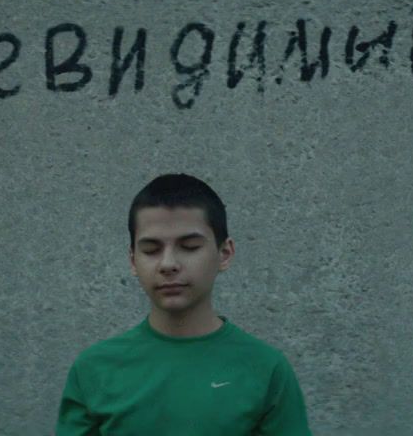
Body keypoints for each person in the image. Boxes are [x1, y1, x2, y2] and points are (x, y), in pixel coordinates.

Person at [56, 173, 312, 435]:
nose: (168, 264)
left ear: (225, 254)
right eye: (151, 250)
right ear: (133, 261)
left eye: (189, 247)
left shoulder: (266, 369)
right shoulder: (94, 369)